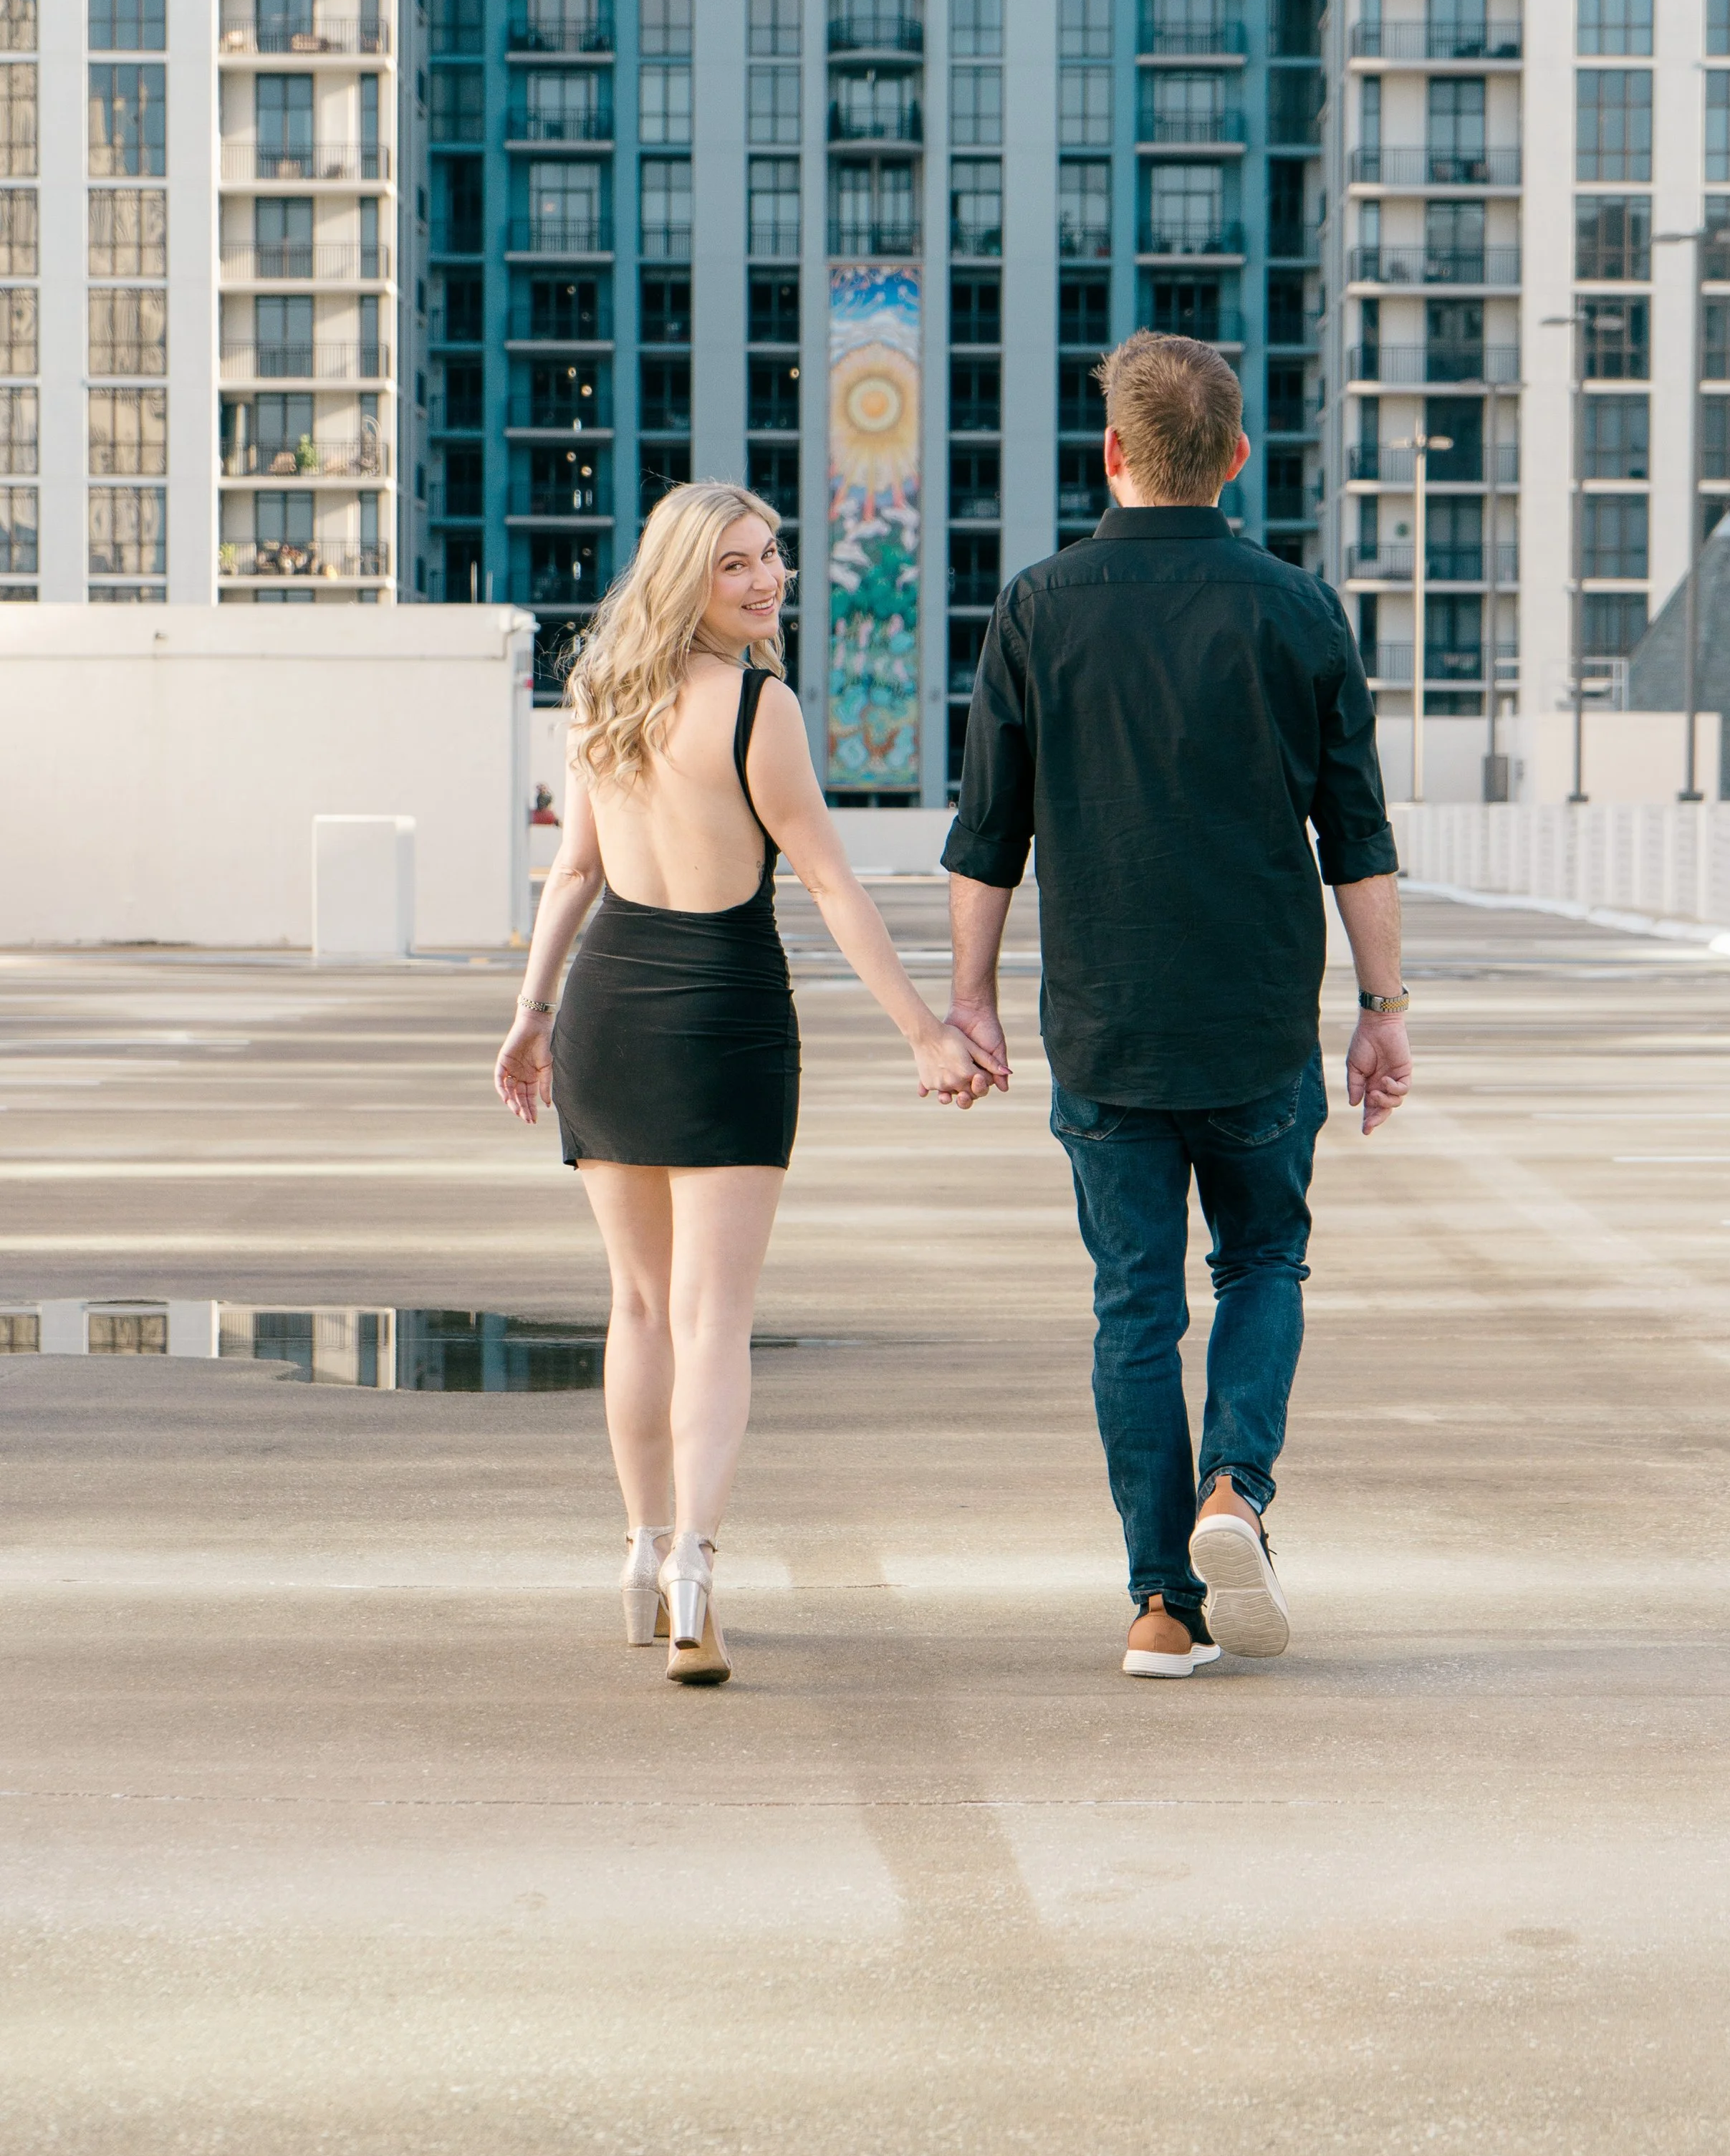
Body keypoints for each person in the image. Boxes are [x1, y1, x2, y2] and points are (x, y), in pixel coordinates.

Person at [941, 332, 1411, 1680]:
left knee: (1134, 1305)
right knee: (1263, 1260)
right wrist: (1382, 1006)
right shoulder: (1301, 610)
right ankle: (1236, 1493)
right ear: (1236, 459)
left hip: (1107, 1025)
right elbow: (1357, 838)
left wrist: (969, 1002)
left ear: (1114, 455)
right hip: (1259, 1022)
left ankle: (1160, 1604)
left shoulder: (1037, 606)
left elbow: (990, 837)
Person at [494, 481, 993, 1686]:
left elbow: (570, 876)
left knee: (643, 1308)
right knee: (709, 1314)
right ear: (686, 579)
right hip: (722, 1012)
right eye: (736, 565)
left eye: (773, 556)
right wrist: (925, 1029)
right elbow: (829, 885)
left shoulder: (603, 699)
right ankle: (697, 1570)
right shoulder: (760, 709)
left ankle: (639, 1552)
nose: (768, 580)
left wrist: (533, 1015)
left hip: (610, 1010)